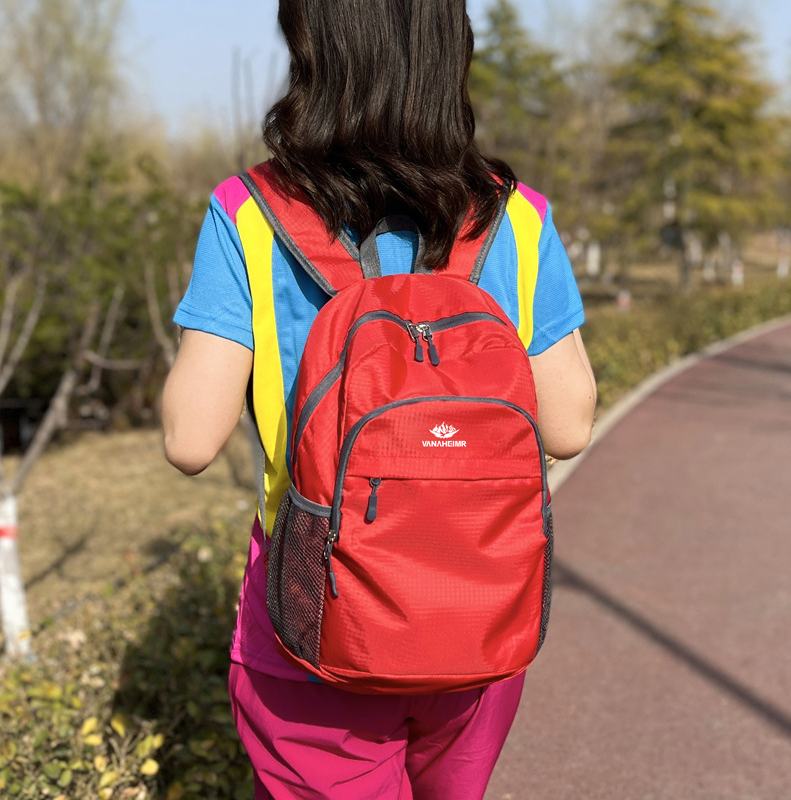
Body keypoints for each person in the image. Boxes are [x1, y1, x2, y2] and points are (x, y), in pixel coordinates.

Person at [162, 0, 597, 797]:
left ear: (310, 49)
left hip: (314, 625)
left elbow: (191, 438)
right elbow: (566, 427)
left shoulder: (248, 214)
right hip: (479, 613)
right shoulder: (515, 216)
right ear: (448, 53)